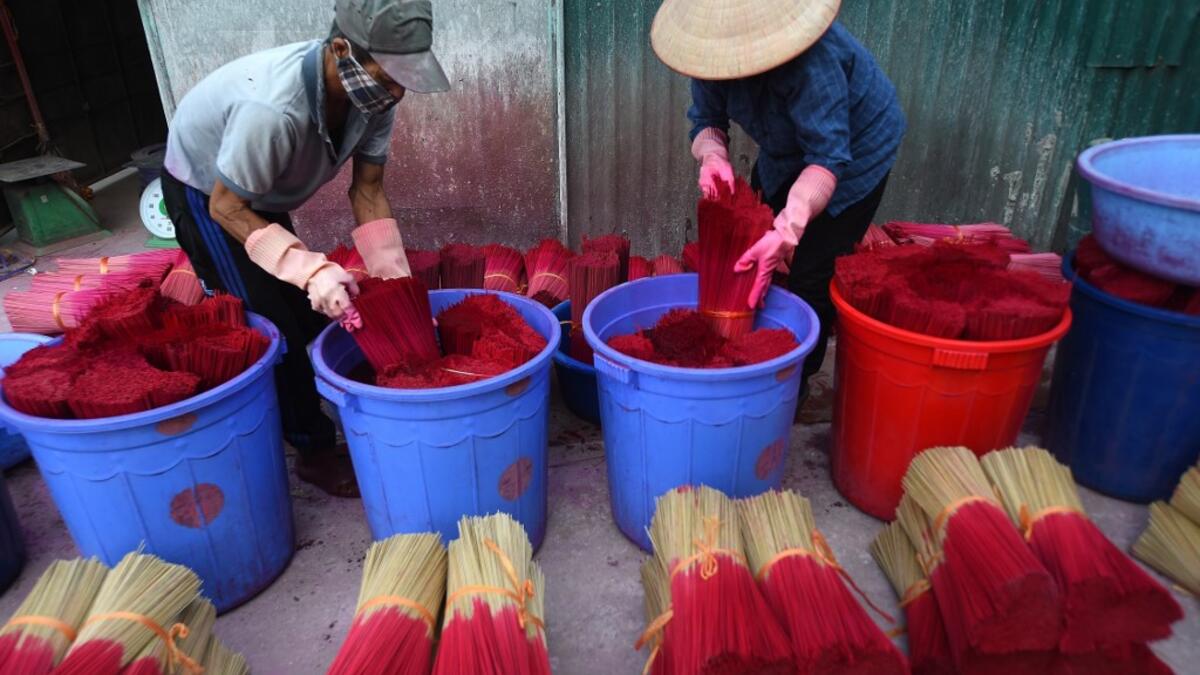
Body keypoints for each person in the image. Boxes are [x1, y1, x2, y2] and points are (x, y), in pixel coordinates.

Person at [160, 0, 450, 497]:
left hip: (259, 190)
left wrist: (395, 285)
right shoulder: (273, 111)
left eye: (408, 76)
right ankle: (311, 449)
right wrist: (307, 268)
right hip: (210, 192)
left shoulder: (374, 96)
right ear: (342, 50)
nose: (399, 90)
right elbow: (229, 207)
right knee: (275, 326)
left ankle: (341, 404)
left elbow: (368, 190)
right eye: (391, 75)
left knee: (311, 310)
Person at [651, 0, 906, 395]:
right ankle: (745, 338)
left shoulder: (812, 63)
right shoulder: (710, 52)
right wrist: (712, 154)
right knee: (754, 237)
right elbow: (706, 121)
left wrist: (789, 226)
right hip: (783, 147)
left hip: (854, 150)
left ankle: (794, 382)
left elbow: (826, 158)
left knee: (813, 267)